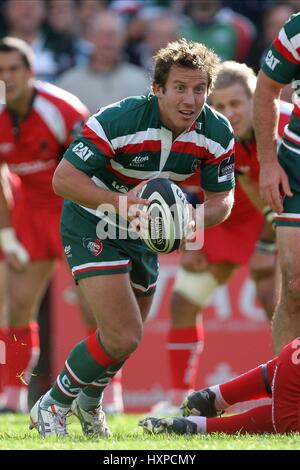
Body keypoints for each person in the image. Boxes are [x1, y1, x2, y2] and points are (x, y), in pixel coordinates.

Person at [29, 38, 235, 437]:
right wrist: (119, 203)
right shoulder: (117, 120)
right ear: (157, 88)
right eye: (180, 87)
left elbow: (222, 199)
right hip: (94, 220)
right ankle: (52, 404)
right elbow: (63, 180)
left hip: (148, 232)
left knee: (125, 340)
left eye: (199, 88)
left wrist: (191, 218)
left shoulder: (217, 130)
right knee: (123, 332)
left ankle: (89, 405)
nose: (190, 99)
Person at [153, 61, 291, 416]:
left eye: (236, 104)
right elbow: (189, 192)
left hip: (279, 220)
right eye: (220, 106)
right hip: (226, 219)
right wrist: (194, 241)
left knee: (276, 300)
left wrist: (266, 247)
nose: (229, 113)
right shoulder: (204, 133)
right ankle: (178, 398)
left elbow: (281, 199)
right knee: (183, 300)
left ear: (257, 101)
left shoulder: (287, 128)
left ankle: (289, 393)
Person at [0, 36, 89, 412]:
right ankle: (12, 395)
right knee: (17, 307)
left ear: (31, 71)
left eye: (13, 69)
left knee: (94, 305)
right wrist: (6, 233)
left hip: (75, 208)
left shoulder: (63, 109)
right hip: (29, 214)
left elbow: (91, 169)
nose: (6, 78)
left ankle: (105, 392)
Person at [253, 12, 300, 354]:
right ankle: (286, 402)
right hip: (297, 163)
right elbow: (266, 88)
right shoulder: (297, 28)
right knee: (296, 289)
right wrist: (268, 163)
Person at [139, 336, 300, 435]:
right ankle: (196, 426)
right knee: (291, 427)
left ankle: (216, 396)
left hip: (292, 351)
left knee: (281, 373)